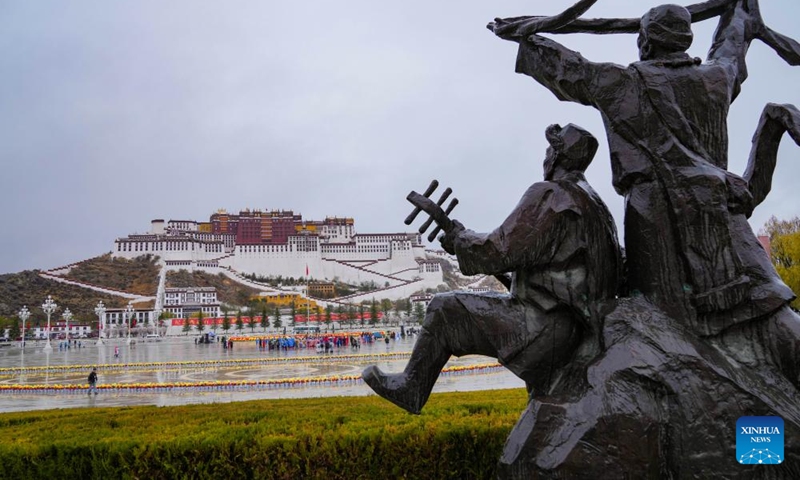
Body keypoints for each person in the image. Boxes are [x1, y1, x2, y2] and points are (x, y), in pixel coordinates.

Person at [491, 1, 800, 387]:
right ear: (685, 39)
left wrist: (526, 36)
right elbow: (731, 44)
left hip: (655, 219)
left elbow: (568, 69)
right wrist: (740, 11)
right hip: (719, 215)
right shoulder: (717, 78)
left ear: (646, 41)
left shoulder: (622, 83)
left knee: (657, 326)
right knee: (766, 316)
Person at [362, 123, 621, 414]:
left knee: (446, 310)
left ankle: (411, 387)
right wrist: (475, 252)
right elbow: (553, 271)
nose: (545, 155)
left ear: (557, 156)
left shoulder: (552, 195)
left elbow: (499, 249)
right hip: (576, 334)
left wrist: (459, 237)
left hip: (545, 330)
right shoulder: (596, 206)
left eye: (550, 149)